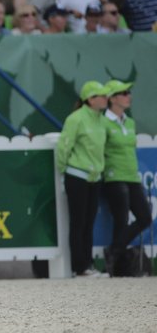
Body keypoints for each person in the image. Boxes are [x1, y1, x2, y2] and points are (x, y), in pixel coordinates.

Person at [56, 80, 109, 277]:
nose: (105, 98)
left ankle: (88, 264)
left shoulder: (102, 120)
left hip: (95, 177)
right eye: (101, 95)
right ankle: (79, 267)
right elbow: (64, 146)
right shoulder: (76, 119)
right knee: (78, 223)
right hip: (77, 176)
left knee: (89, 222)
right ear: (90, 99)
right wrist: (64, 170)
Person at [101, 79, 152, 276]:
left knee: (145, 217)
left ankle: (114, 252)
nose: (128, 96)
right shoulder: (103, 122)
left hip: (132, 175)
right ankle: (117, 265)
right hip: (114, 176)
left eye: (128, 93)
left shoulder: (129, 122)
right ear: (112, 98)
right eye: (123, 93)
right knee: (120, 219)